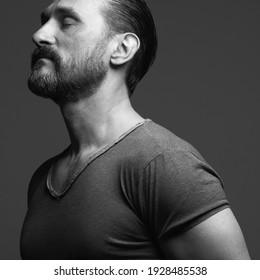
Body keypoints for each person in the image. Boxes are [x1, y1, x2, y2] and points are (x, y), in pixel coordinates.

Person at [20, 0, 250, 260]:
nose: (39, 35)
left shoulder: (164, 164)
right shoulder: (43, 180)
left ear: (121, 48)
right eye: (44, 21)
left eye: (67, 22)